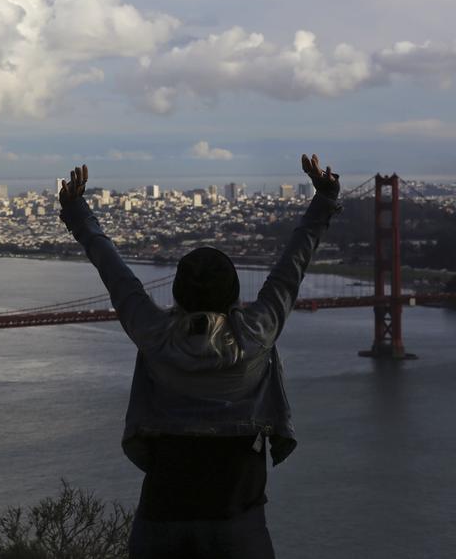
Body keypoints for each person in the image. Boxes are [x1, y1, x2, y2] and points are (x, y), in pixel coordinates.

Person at [57, 154, 342, 559]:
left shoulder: (154, 335)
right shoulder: (256, 334)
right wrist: (324, 198)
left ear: (176, 293)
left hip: (161, 514)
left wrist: (75, 209)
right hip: (239, 518)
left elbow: (113, 270)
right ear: (233, 295)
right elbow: (292, 264)